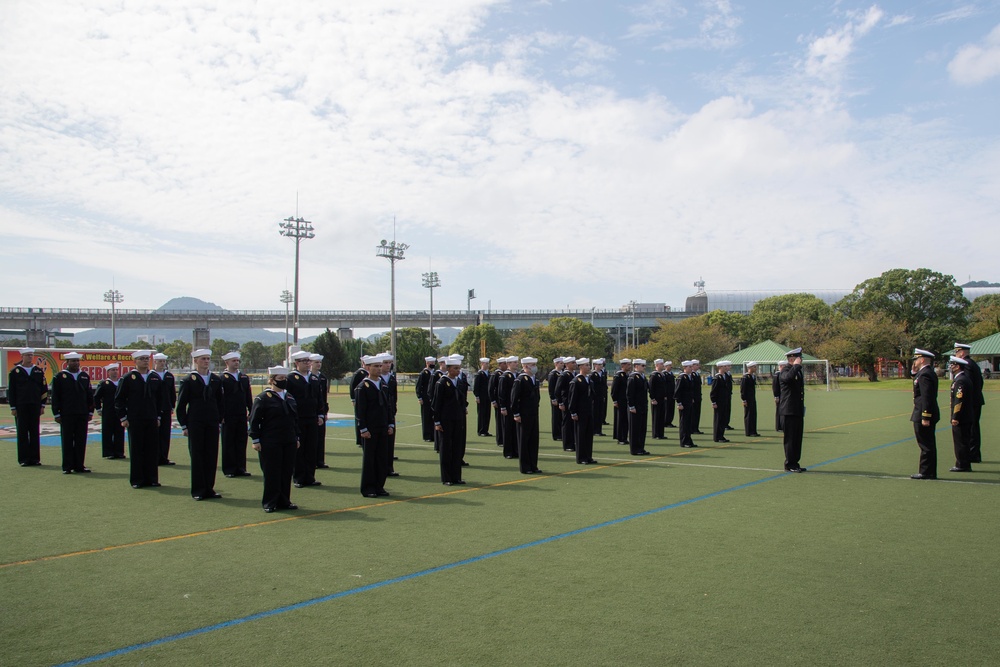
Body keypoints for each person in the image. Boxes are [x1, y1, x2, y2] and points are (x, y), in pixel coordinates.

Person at [249, 366, 300, 513]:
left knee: (286, 471)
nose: (283, 381)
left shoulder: (289, 396)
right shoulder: (263, 398)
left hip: (288, 439)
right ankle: (270, 502)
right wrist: (255, 439)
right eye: (280, 379)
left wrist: (296, 436)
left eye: (285, 379)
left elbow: (294, 419)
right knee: (272, 472)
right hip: (270, 440)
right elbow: (254, 420)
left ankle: (284, 500)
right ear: (272, 380)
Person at [115, 350, 167, 488]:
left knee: (152, 449)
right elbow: (119, 399)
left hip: (151, 418)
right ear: (135, 361)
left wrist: (158, 416)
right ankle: (137, 480)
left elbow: (160, 399)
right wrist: (123, 417)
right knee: (137, 449)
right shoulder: (128, 378)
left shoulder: (154, 377)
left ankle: (152, 479)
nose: (145, 360)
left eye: (146, 358)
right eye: (142, 358)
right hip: (135, 419)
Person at [176, 349, 224, 500]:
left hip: (211, 422)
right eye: (203, 359)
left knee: (211, 455)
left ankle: (209, 488)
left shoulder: (215, 379)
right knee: (197, 455)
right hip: (195, 422)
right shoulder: (189, 380)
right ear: (195, 361)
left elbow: (220, 402)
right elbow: (181, 405)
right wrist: (184, 425)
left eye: (208, 358)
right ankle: (198, 490)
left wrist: (220, 419)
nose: (206, 361)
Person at [355, 355, 394, 497]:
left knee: (382, 458)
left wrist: (390, 423)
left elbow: (388, 406)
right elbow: (360, 410)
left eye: (379, 366)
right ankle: (368, 488)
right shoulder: (363, 386)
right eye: (375, 366)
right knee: (369, 460)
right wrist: (363, 428)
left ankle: (379, 486)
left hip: (383, 426)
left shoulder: (383, 384)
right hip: (370, 429)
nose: (378, 368)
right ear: (367, 368)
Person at [50, 352, 95, 474]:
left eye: (77, 361)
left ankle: (79, 465)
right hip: (67, 413)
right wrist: (56, 413)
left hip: (82, 413)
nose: (76, 363)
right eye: (73, 361)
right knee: (67, 440)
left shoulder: (84, 376)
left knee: (81, 440)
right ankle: (67, 466)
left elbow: (89, 395)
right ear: (67, 362)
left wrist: (90, 411)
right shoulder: (59, 377)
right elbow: (55, 396)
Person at [288, 350, 322, 489]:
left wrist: (320, 414)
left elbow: (319, 398)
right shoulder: (291, 378)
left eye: (308, 361)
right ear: (296, 363)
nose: (308, 364)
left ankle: (310, 476)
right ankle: (299, 477)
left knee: (311, 448)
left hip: (312, 417)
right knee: (299, 449)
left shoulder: (313, 378)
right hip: (298, 417)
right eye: (304, 361)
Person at [8, 347, 46, 466]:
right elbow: (12, 391)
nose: (30, 357)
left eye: (31, 355)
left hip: (35, 405)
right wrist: (13, 407)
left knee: (34, 432)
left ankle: (35, 458)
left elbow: (43, 389)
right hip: (21, 405)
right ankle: (24, 459)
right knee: (22, 432)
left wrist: (42, 405)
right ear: (22, 357)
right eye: (27, 355)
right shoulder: (15, 372)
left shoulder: (38, 371)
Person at [433, 356, 468, 486]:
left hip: (457, 419)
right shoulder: (442, 382)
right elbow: (436, 404)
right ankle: (447, 477)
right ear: (448, 369)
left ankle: (456, 476)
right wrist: (437, 422)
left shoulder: (457, 382)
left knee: (457, 448)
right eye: (455, 368)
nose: (458, 371)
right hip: (445, 420)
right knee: (446, 448)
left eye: (459, 368)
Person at [220, 351, 253, 478]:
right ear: (226, 362)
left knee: (241, 441)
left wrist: (251, 410)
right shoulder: (222, 378)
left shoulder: (243, 377)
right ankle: (229, 469)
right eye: (233, 361)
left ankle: (241, 467)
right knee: (228, 442)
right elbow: (220, 398)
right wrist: (221, 414)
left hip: (241, 414)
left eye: (237, 360)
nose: (236, 363)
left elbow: (248, 396)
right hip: (228, 414)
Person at [910, 349, 939, 480]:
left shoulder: (925, 375)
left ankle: (926, 472)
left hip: (923, 412)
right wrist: (913, 372)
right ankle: (928, 471)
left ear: (921, 360)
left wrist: (925, 416)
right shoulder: (925, 373)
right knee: (927, 444)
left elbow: (927, 397)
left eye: (916, 359)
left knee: (926, 445)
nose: (914, 362)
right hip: (923, 412)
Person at [954, 343, 984, 463]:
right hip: (975, 400)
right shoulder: (973, 364)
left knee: (971, 429)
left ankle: (972, 454)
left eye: (957, 352)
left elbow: (966, 385)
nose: (956, 355)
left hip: (970, 402)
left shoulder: (966, 365)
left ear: (961, 353)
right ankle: (974, 453)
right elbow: (980, 382)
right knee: (974, 428)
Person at [511, 356, 542, 474]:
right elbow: (514, 398)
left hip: (533, 413)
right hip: (523, 414)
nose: (534, 367)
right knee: (524, 440)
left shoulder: (534, 379)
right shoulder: (520, 379)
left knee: (533, 440)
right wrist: (516, 413)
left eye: (535, 364)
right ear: (525, 366)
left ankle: (533, 465)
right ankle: (525, 467)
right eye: (532, 365)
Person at [779, 348, 807, 472]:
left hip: (797, 409)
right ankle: (789, 464)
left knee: (797, 438)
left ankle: (795, 462)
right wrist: (795, 366)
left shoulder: (798, 371)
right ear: (792, 359)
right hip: (788, 410)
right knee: (790, 439)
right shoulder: (785, 370)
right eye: (798, 358)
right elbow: (787, 379)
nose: (801, 361)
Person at [948, 356, 975, 473]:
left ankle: (962, 464)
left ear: (958, 366)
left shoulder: (961, 380)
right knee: (963, 440)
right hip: (966, 416)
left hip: (962, 417)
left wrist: (955, 416)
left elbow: (959, 400)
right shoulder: (963, 379)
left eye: (952, 365)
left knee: (960, 441)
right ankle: (963, 462)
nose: (950, 367)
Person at [94, 363, 126, 459]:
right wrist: (99, 409)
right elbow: (96, 397)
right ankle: (108, 452)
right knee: (108, 432)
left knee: (120, 431)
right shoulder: (104, 383)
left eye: (116, 370)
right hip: (108, 411)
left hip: (120, 411)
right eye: (113, 370)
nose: (115, 372)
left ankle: (119, 452)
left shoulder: (122, 382)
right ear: (108, 372)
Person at [569, 357, 597, 464]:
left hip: (589, 410)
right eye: (586, 365)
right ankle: (581, 458)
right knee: (581, 435)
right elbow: (573, 398)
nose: (588, 367)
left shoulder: (589, 379)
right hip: (580, 412)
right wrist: (573, 412)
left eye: (589, 365)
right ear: (580, 367)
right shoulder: (576, 381)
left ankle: (588, 456)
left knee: (588, 434)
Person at [151, 353, 177, 466]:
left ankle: (164, 457)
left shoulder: (169, 376)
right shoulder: (151, 375)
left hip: (166, 408)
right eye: (159, 361)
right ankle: (154, 458)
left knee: (165, 434)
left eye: (163, 361)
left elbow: (172, 393)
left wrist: (172, 406)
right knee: (154, 434)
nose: (162, 363)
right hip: (153, 409)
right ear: (155, 362)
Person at [311, 353, 331, 469]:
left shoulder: (322, 378)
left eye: (320, 362)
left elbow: (324, 397)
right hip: (310, 411)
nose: (318, 364)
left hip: (320, 410)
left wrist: (325, 412)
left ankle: (320, 460)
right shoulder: (308, 377)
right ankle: (312, 460)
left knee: (321, 435)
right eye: (316, 362)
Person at [627, 359, 650, 455]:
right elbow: (629, 393)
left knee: (642, 428)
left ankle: (641, 447)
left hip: (642, 406)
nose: (644, 367)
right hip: (635, 407)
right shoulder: (633, 377)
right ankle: (635, 449)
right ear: (636, 366)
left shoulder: (642, 377)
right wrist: (631, 406)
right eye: (642, 365)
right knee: (635, 429)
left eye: (644, 366)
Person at [499, 356, 520, 459]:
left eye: (516, 362)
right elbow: (501, 392)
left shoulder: (518, 375)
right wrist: (503, 407)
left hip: (516, 406)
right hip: (507, 405)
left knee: (516, 429)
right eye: (514, 362)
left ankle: (516, 450)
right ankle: (508, 451)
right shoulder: (505, 376)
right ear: (508, 364)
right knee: (508, 429)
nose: (516, 364)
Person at [415, 356, 437, 443]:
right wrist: (419, 397)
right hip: (425, 398)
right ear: (427, 363)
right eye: (431, 363)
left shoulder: (435, 373)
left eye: (433, 363)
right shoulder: (423, 373)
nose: (433, 364)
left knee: (433, 417)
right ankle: (427, 435)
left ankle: (433, 435)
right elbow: (418, 386)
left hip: (433, 398)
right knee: (426, 417)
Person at [675, 361, 697, 448]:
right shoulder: (682, 377)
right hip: (683, 403)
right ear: (685, 368)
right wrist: (679, 403)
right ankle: (684, 441)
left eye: (691, 367)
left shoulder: (689, 376)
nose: (691, 369)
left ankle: (688, 440)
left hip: (688, 402)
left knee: (688, 422)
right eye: (689, 367)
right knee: (684, 423)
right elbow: (677, 392)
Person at [710, 361, 732, 443]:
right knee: (718, 419)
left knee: (723, 419)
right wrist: (714, 402)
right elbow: (713, 391)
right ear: (720, 368)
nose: (726, 368)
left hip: (725, 400)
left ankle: (721, 435)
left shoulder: (725, 376)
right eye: (724, 367)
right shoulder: (717, 378)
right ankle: (717, 437)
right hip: (719, 402)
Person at [348, 358, 368, 447]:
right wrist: (353, 399)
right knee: (359, 418)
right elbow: (352, 386)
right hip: (358, 398)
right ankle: (359, 439)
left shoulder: (367, 373)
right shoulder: (359, 373)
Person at [488, 356, 508, 447]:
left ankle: (505, 438)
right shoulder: (496, 374)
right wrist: (493, 401)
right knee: (499, 421)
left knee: (505, 422)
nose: (506, 365)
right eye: (504, 363)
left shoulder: (506, 373)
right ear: (500, 364)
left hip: (505, 401)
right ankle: (500, 440)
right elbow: (491, 388)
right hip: (498, 401)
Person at [611, 359, 631, 445]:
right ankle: (620, 438)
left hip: (626, 400)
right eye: (628, 365)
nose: (629, 366)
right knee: (620, 419)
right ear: (623, 366)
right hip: (620, 400)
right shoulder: (618, 375)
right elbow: (614, 389)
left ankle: (624, 437)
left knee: (626, 419)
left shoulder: (627, 375)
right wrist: (615, 400)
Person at [473, 357, 493, 437]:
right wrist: (477, 396)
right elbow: (476, 387)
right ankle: (481, 430)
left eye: (488, 363)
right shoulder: (479, 374)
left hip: (487, 397)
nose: (487, 365)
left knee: (487, 413)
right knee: (481, 414)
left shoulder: (489, 373)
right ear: (482, 364)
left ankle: (485, 430)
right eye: (486, 364)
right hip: (481, 397)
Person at [740, 362, 761, 437]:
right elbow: (743, 390)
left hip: (752, 398)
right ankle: (749, 431)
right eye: (754, 367)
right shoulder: (745, 377)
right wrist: (744, 400)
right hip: (747, 399)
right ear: (749, 368)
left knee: (753, 414)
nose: (756, 368)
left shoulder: (752, 376)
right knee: (748, 415)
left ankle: (753, 430)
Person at [547, 357, 565, 442]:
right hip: (556, 398)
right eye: (560, 363)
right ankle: (556, 434)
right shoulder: (553, 374)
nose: (562, 364)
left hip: (562, 398)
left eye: (562, 363)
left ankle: (562, 433)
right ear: (556, 364)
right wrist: (553, 398)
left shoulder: (563, 373)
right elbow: (551, 387)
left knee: (562, 416)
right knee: (556, 416)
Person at [649, 359, 667, 439]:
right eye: (661, 364)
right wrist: (652, 398)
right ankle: (655, 434)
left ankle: (661, 433)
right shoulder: (654, 375)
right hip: (656, 399)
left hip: (662, 399)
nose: (663, 365)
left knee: (661, 416)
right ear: (657, 365)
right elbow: (651, 388)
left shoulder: (662, 374)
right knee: (656, 417)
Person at [592, 358, 609, 436]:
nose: (600, 366)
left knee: (600, 413)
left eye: (601, 364)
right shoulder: (593, 374)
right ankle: (594, 430)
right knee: (595, 413)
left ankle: (599, 430)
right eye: (598, 365)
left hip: (601, 396)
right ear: (595, 365)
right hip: (595, 397)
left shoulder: (602, 373)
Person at [772, 360, 787, 432]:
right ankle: (779, 427)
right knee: (779, 411)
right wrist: (776, 396)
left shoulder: (782, 374)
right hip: (779, 395)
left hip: (784, 395)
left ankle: (783, 426)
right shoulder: (777, 374)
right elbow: (775, 387)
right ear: (781, 366)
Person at [691, 360, 705, 434]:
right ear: (692, 366)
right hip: (693, 397)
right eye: (696, 365)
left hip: (698, 396)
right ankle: (692, 428)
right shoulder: (691, 374)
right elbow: (692, 387)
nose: (698, 366)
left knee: (697, 413)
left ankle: (696, 428)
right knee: (693, 413)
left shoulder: (697, 374)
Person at [662, 360, 677, 428]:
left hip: (672, 394)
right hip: (667, 394)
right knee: (667, 408)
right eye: (669, 366)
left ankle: (669, 421)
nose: (671, 367)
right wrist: (664, 394)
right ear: (665, 366)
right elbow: (664, 385)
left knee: (671, 408)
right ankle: (665, 422)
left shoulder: (671, 374)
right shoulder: (664, 374)